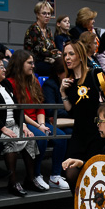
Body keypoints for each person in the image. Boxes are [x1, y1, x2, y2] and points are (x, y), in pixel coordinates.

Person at [0, 52, 40, 197]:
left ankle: (30, 178)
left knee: (30, 139)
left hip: (14, 123)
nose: (4, 69)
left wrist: (23, 125)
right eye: (0, 67)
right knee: (10, 141)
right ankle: (13, 182)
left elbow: (16, 107)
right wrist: (3, 129)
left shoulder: (5, 83)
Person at [6, 50, 52, 190]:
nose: (33, 66)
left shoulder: (34, 80)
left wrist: (42, 124)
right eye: (29, 63)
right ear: (20, 64)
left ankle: (55, 175)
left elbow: (40, 107)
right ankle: (35, 175)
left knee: (61, 137)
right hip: (21, 121)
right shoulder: (10, 83)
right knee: (41, 137)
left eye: (33, 63)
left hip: (36, 121)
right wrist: (38, 127)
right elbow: (17, 111)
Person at [60, 41, 103, 185]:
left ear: (81, 55)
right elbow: (71, 111)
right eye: (65, 54)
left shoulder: (95, 74)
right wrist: (62, 92)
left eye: (71, 54)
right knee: (70, 172)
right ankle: (78, 206)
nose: (67, 58)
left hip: (96, 133)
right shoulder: (70, 82)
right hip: (78, 134)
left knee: (93, 176)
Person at [42, 57, 71, 190]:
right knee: (62, 137)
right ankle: (56, 174)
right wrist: (70, 112)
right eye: (67, 72)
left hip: (65, 122)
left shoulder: (69, 85)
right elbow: (51, 109)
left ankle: (68, 170)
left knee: (74, 134)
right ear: (59, 73)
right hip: (52, 121)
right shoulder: (50, 85)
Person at [23, 1, 60, 77]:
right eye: (44, 13)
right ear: (37, 14)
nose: (47, 16)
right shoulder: (33, 29)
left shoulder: (48, 30)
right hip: (35, 62)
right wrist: (56, 55)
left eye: (49, 14)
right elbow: (40, 51)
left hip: (48, 60)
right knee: (58, 68)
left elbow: (53, 47)